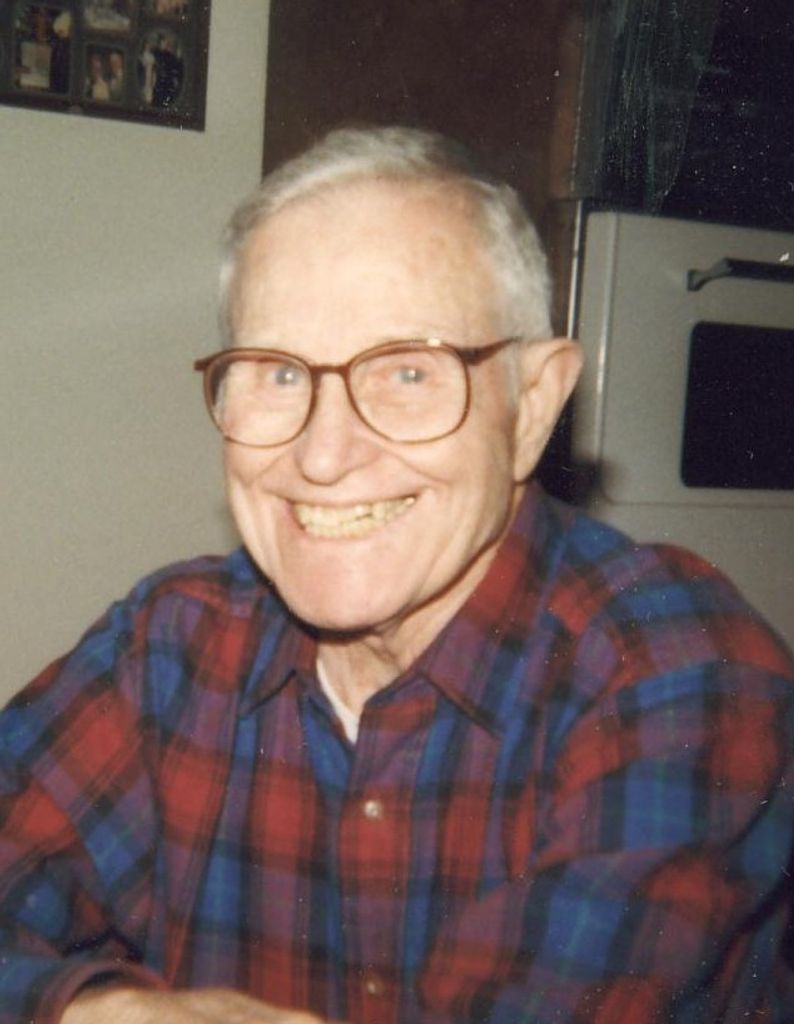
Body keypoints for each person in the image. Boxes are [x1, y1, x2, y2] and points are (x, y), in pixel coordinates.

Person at [1, 126, 792, 1024]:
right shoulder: (171, 644)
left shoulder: (678, 667)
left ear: (532, 408)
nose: (323, 455)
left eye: (408, 372)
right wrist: (92, 1010)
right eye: (277, 373)